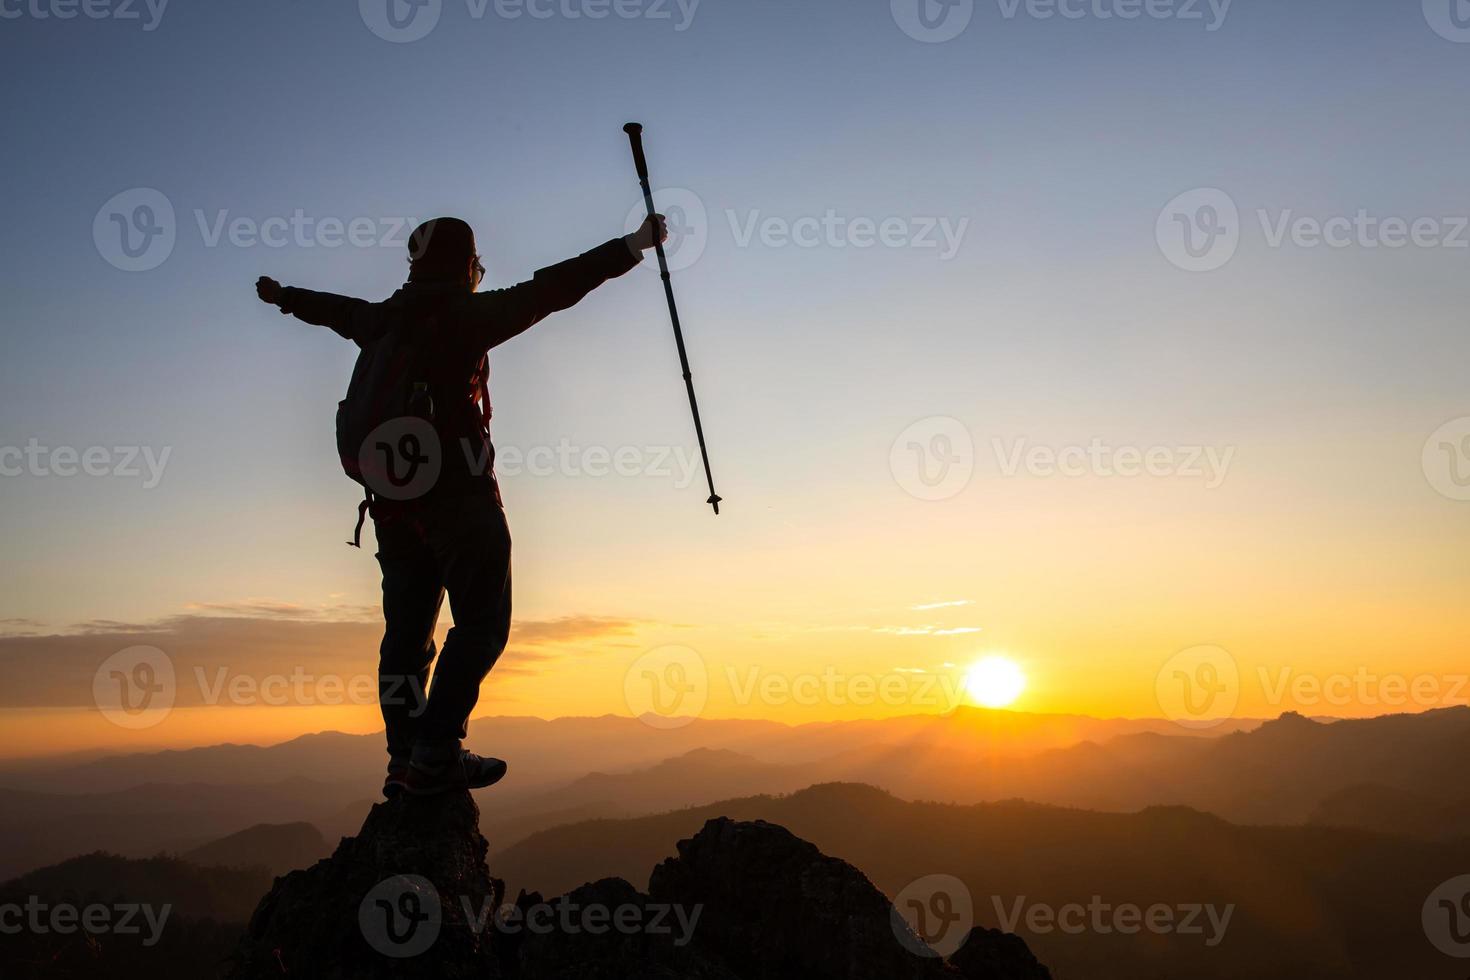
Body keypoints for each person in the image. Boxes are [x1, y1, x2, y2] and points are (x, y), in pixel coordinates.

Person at [255, 212, 668, 796]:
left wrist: (284, 297)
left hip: (393, 507)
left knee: (406, 637)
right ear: (465, 265)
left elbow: (332, 308)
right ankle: (436, 751)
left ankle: (404, 758)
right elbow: (554, 288)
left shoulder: (381, 320)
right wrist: (632, 245)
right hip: (459, 500)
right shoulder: (468, 317)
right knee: (481, 624)